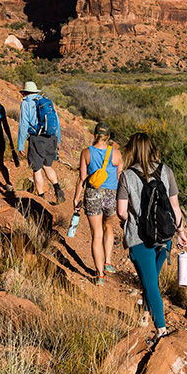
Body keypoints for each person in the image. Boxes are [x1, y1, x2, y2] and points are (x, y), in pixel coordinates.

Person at [116, 132, 187, 337]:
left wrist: (129, 220)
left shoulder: (127, 176)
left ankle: (161, 331)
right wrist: (180, 231)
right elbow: (175, 206)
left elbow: (121, 211)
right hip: (164, 236)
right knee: (152, 280)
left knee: (150, 283)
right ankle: (146, 311)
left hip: (139, 237)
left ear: (132, 150)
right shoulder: (166, 171)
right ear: (152, 148)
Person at [72, 122, 123, 285]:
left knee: (96, 234)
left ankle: (100, 275)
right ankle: (108, 261)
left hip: (93, 193)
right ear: (108, 137)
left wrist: (76, 198)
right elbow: (120, 178)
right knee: (108, 226)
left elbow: (82, 178)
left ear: (95, 134)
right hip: (111, 195)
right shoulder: (116, 154)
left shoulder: (86, 153)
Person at [16, 81, 65, 203]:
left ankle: (41, 199)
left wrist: (20, 145)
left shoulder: (26, 103)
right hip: (51, 137)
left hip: (37, 139)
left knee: (36, 168)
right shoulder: (46, 101)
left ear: (25, 92)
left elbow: (23, 124)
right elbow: (56, 121)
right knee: (47, 165)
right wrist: (57, 139)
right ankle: (58, 190)